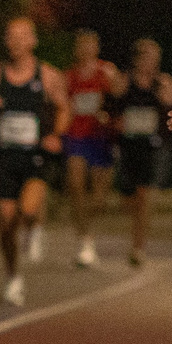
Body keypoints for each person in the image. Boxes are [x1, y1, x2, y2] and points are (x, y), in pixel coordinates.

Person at [0, 16, 64, 307]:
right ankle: (13, 277)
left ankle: (35, 226)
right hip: (4, 156)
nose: (15, 42)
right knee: (5, 222)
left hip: (35, 155)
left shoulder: (46, 75)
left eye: (22, 36)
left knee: (28, 208)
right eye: (11, 36)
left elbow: (64, 107)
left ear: (33, 41)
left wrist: (56, 134)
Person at [108, 38, 172, 267]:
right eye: (145, 57)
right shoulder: (124, 81)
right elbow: (110, 106)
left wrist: (166, 95)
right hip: (128, 146)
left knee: (144, 197)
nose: (150, 62)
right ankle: (136, 232)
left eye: (154, 58)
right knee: (128, 200)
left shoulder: (162, 82)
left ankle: (138, 247)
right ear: (136, 59)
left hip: (152, 146)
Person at [58, 29, 124, 267]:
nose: (86, 49)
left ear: (96, 48)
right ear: (77, 49)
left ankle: (90, 234)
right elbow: (61, 104)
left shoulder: (106, 71)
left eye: (90, 45)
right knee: (76, 185)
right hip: (76, 136)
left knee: (99, 199)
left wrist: (113, 85)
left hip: (100, 137)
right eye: (81, 45)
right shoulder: (68, 76)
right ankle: (83, 239)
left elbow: (119, 97)